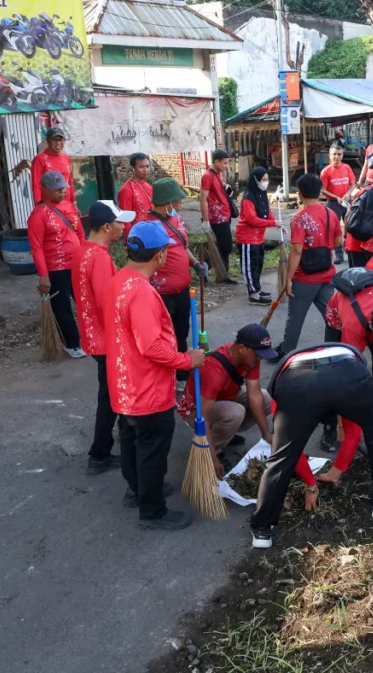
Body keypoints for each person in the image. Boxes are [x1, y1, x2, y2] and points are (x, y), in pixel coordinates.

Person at [249, 342, 373, 549]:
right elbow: (354, 431)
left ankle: (262, 530)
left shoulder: (284, 387)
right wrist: (316, 480)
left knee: (281, 457)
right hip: (346, 374)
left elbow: (288, 451)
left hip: (296, 382)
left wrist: (321, 478)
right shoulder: (348, 380)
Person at [104, 222, 206, 531]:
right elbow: (151, 346)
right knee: (151, 448)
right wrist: (187, 360)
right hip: (146, 388)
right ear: (160, 256)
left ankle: (138, 490)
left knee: (132, 440)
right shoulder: (143, 294)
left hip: (123, 384)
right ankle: (152, 511)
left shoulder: (118, 280)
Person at [73, 200, 134, 475]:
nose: (123, 227)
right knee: (110, 396)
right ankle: (99, 454)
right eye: (120, 222)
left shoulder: (83, 251)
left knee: (108, 394)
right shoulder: (99, 257)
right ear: (108, 227)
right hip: (106, 339)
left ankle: (105, 447)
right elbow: (104, 302)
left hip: (94, 336)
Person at [177, 324, 276, 476]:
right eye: (257, 354)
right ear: (242, 348)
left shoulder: (251, 358)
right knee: (236, 413)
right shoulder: (213, 370)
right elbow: (203, 417)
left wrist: (266, 434)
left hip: (223, 397)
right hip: (195, 410)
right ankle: (212, 448)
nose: (260, 358)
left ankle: (226, 433)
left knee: (265, 398)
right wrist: (212, 457)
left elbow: (254, 394)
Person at [147, 178, 209, 385]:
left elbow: (182, 246)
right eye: (178, 201)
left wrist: (195, 264)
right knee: (164, 337)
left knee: (181, 331)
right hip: (161, 293)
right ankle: (165, 375)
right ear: (167, 203)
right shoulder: (147, 226)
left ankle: (182, 371)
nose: (181, 204)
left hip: (182, 290)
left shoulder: (177, 220)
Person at [276, 174, 343, 358]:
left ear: (300, 194)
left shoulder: (299, 218)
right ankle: (339, 348)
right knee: (332, 315)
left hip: (304, 277)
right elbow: (338, 241)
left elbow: (297, 250)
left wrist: (288, 278)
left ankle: (286, 352)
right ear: (321, 191)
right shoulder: (331, 213)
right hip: (326, 273)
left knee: (296, 317)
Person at [28, 170, 87, 358]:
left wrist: (86, 256)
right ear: (44, 190)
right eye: (57, 189)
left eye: (63, 188)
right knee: (63, 309)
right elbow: (36, 246)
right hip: (56, 268)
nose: (61, 192)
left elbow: (80, 234)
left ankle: (89, 337)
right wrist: (43, 274)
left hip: (76, 264)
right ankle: (72, 343)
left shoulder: (69, 207)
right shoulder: (38, 214)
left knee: (85, 303)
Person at [236, 167, 278, 304]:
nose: (265, 182)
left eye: (267, 179)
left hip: (259, 237)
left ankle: (257, 289)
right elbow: (252, 220)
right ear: (255, 180)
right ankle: (253, 293)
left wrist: (277, 223)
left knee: (258, 265)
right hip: (247, 238)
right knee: (250, 266)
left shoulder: (262, 193)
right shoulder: (248, 197)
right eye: (263, 180)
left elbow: (267, 211)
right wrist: (272, 223)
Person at [199, 149, 237, 284]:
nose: (226, 166)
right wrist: (205, 220)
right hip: (216, 217)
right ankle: (202, 267)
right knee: (225, 247)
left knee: (224, 247)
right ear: (216, 162)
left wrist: (226, 187)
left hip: (224, 214)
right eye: (225, 163)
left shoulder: (218, 174)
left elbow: (219, 186)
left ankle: (223, 275)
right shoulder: (207, 176)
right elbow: (203, 198)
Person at [31, 127, 79, 220]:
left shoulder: (66, 158)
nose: (58, 143)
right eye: (54, 140)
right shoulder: (40, 159)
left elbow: (70, 182)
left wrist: (74, 203)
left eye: (61, 140)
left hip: (67, 205)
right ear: (47, 141)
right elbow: (36, 185)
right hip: (50, 206)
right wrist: (39, 208)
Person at [320, 145, 357, 263]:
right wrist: (336, 197)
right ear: (330, 156)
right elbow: (323, 189)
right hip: (333, 203)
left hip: (347, 202)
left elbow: (353, 184)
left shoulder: (347, 167)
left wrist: (347, 194)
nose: (336, 157)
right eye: (334, 154)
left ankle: (351, 249)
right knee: (334, 230)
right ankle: (338, 254)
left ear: (342, 155)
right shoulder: (326, 171)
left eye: (339, 154)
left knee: (350, 226)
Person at [117, 152, 153, 239]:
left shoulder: (149, 186)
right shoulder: (126, 190)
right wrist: (129, 240)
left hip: (152, 230)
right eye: (141, 167)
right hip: (137, 235)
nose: (145, 170)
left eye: (147, 166)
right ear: (133, 168)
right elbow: (125, 218)